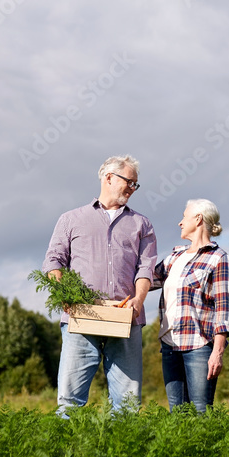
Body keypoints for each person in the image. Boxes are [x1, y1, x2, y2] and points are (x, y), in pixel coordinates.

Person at [42, 155, 157, 414]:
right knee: (70, 401)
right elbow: (53, 261)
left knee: (127, 404)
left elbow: (145, 268)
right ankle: (70, 453)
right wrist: (64, 294)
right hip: (81, 316)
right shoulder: (71, 219)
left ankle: (120, 454)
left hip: (126, 318)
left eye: (136, 184)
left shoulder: (142, 224)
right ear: (108, 178)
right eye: (129, 181)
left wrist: (138, 300)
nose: (132, 188)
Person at [151, 198, 229, 413]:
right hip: (170, 346)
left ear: (198, 219)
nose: (180, 222)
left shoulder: (219, 259)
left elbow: (224, 310)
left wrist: (217, 353)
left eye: (184, 216)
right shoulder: (175, 257)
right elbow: (146, 280)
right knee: (177, 415)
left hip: (199, 347)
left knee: (200, 412)